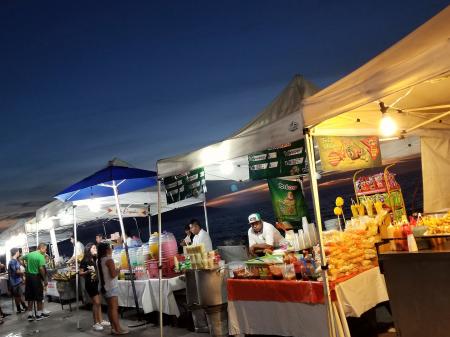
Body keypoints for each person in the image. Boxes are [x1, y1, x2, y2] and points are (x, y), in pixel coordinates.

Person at [97, 242, 128, 335]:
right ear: (107, 250)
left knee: (110, 308)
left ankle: (113, 328)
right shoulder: (109, 260)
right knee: (114, 308)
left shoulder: (98, 260)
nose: (111, 249)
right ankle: (118, 329)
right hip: (111, 287)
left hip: (103, 287)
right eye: (110, 248)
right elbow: (113, 274)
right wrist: (118, 269)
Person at [80, 243, 110, 331]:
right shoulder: (84, 260)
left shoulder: (95, 259)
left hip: (96, 283)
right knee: (96, 302)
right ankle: (95, 323)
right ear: (89, 249)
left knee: (99, 302)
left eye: (95, 248)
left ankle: (100, 320)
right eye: (93, 248)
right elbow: (80, 273)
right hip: (90, 284)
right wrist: (87, 273)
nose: (95, 249)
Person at [23, 243, 50, 321]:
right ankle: (39, 314)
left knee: (30, 297)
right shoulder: (40, 256)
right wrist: (45, 279)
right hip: (35, 277)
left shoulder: (29, 254)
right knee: (39, 296)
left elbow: (21, 259)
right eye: (45, 249)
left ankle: (30, 315)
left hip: (28, 277)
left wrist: (25, 267)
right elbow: (41, 269)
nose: (46, 250)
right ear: (41, 248)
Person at [8, 248, 27, 313]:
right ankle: (22, 307)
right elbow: (17, 271)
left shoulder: (14, 261)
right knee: (18, 295)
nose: (19, 253)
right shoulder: (13, 261)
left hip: (16, 281)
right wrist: (24, 273)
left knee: (18, 295)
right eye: (18, 251)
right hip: (15, 282)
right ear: (16, 252)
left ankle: (21, 308)